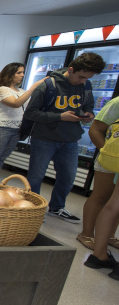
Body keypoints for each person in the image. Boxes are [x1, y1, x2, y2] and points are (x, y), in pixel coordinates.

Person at [25, 52, 105, 223]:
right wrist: (60, 117)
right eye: (81, 77)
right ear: (70, 69)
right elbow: (31, 113)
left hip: (70, 139)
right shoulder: (48, 85)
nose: (83, 81)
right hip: (44, 138)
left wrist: (88, 114)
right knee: (36, 176)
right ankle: (33, 210)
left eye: (87, 78)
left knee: (68, 177)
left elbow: (88, 106)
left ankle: (57, 207)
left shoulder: (86, 86)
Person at [0, 63, 48, 182]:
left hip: (17, 128)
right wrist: (34, 87)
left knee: (1, 158)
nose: (22, 75)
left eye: (23, 72)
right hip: (1, 127)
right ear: (10, 74)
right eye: (19, 72)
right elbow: (15, 103)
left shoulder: (22, 91)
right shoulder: (2, 90)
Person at [77, 95, 119, 252]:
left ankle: (109, 235)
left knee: (116, 202)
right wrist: (106, 152)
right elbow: (95, 129)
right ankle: (86, 233)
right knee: (101, 195)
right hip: (110, 158)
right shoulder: (116, 103)